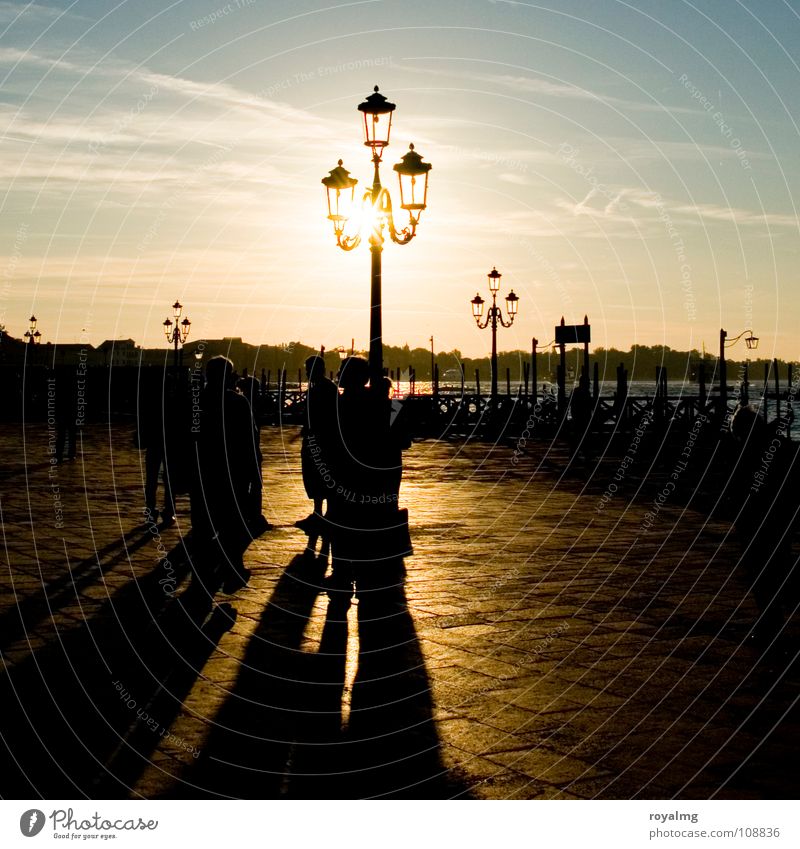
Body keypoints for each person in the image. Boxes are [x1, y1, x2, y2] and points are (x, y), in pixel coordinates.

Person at [190, 356, 264, 593]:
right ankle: (230, 569)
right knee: (231, 525)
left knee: (202, 525)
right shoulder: (238, 402)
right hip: (233, 474)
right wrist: (255, 476)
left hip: (202, 472)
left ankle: (202, 574)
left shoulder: (195, 402)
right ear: (228, 376)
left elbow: (184, 439)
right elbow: (250, 442)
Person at [728, 405, 799, 642]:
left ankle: (772, 620)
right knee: (776, 566)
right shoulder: (778, 445)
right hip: (779, 517)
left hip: (761, 519)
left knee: (763, 572)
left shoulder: (749, 451)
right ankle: (775, 615)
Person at [296, 355, 338, 551]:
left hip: (320, 440)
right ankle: (319, 513)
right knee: (316, 477)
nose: (305, 372)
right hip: (321, 439)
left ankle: (322, 514)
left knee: (318, 476)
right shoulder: (327, 388)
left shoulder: (321, 389)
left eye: (307, 368)